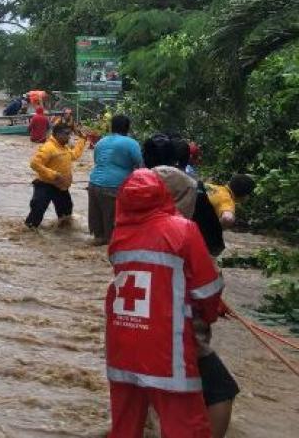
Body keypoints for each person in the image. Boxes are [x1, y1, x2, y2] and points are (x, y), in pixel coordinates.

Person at [104, 169, 224, 438]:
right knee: (186, 427)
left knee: (124, 427)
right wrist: (211, 312)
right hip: (166, 349)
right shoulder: (183, 229)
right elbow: (207, 290)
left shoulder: (118, 236)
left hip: (121, 343)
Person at [87, 115, 142, 246]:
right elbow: (141, 166)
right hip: (114, 187)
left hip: (94, 184)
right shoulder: (131, 143)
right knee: (112, 233)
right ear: (128, 127)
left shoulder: (101, 142)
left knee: (98, 233)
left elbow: (97, 161)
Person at [26, 124, 87, 229]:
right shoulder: (48, 147)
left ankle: (63, 235)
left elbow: (75, 155)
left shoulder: (64, 148)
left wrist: (82, 140)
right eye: (67, 134)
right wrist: (54, 174)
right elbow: (34, 164)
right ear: (58, 134)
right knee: (37, 212)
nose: (69, 137)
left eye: (70, 134)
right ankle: (29, 234)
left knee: (66, 215)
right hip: (45, 185)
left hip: (60, 186)